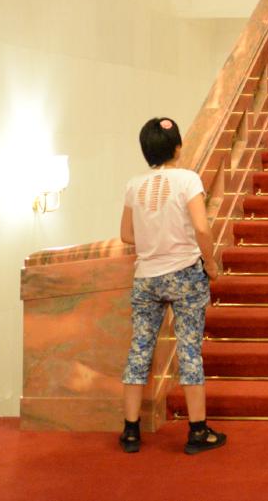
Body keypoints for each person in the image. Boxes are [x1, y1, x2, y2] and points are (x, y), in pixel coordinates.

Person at [117, 117, 226, 455]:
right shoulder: (187, 179)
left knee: (139, 349)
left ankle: (131, 431)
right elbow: (202, 229)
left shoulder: (134, 185)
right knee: (189, 349)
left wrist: (154, 240)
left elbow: (126, 235)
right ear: (177, 147)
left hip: (146, 277)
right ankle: (197, 431)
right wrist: (211, 264)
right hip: (185, 274)